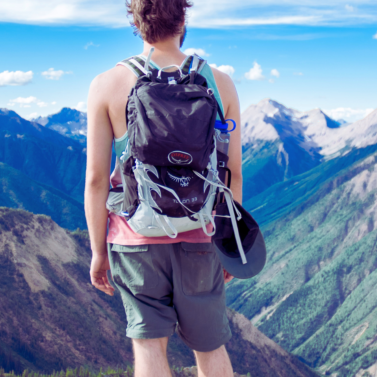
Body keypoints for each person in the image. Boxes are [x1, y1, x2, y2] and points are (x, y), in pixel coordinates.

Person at [84, 1, 242, 376]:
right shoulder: (219, 83)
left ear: (136, 22)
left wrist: (98, 252)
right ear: (184, 17)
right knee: (210, 347)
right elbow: (232, 173)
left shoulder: (106, 84)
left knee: (149, 348)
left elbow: (94, 179)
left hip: (135, 238)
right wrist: (230, 242)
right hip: (200, 235)